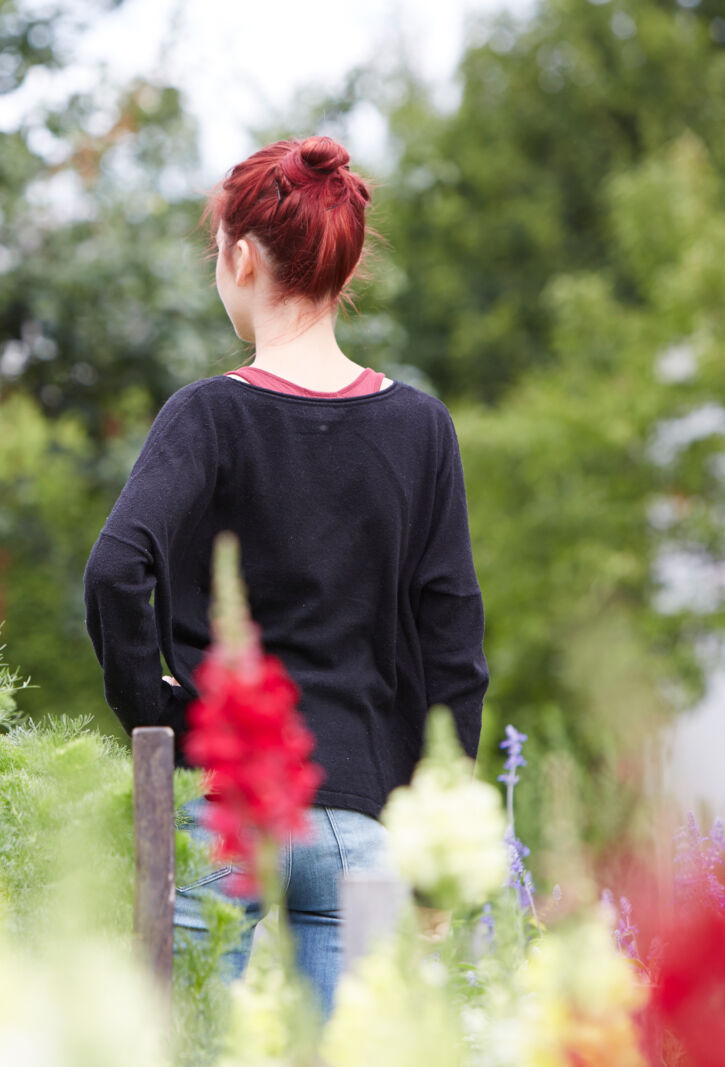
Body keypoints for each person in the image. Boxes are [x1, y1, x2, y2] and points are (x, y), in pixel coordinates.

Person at [81, 135, 488, 1017]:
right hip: (362, 823)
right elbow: (453, 645)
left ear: (241, 257)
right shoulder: (422, 428)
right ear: (343, 265)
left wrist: (161, 722)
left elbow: (118, 567)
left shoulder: (208, 415)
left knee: (181, 1041)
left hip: (225, 805)